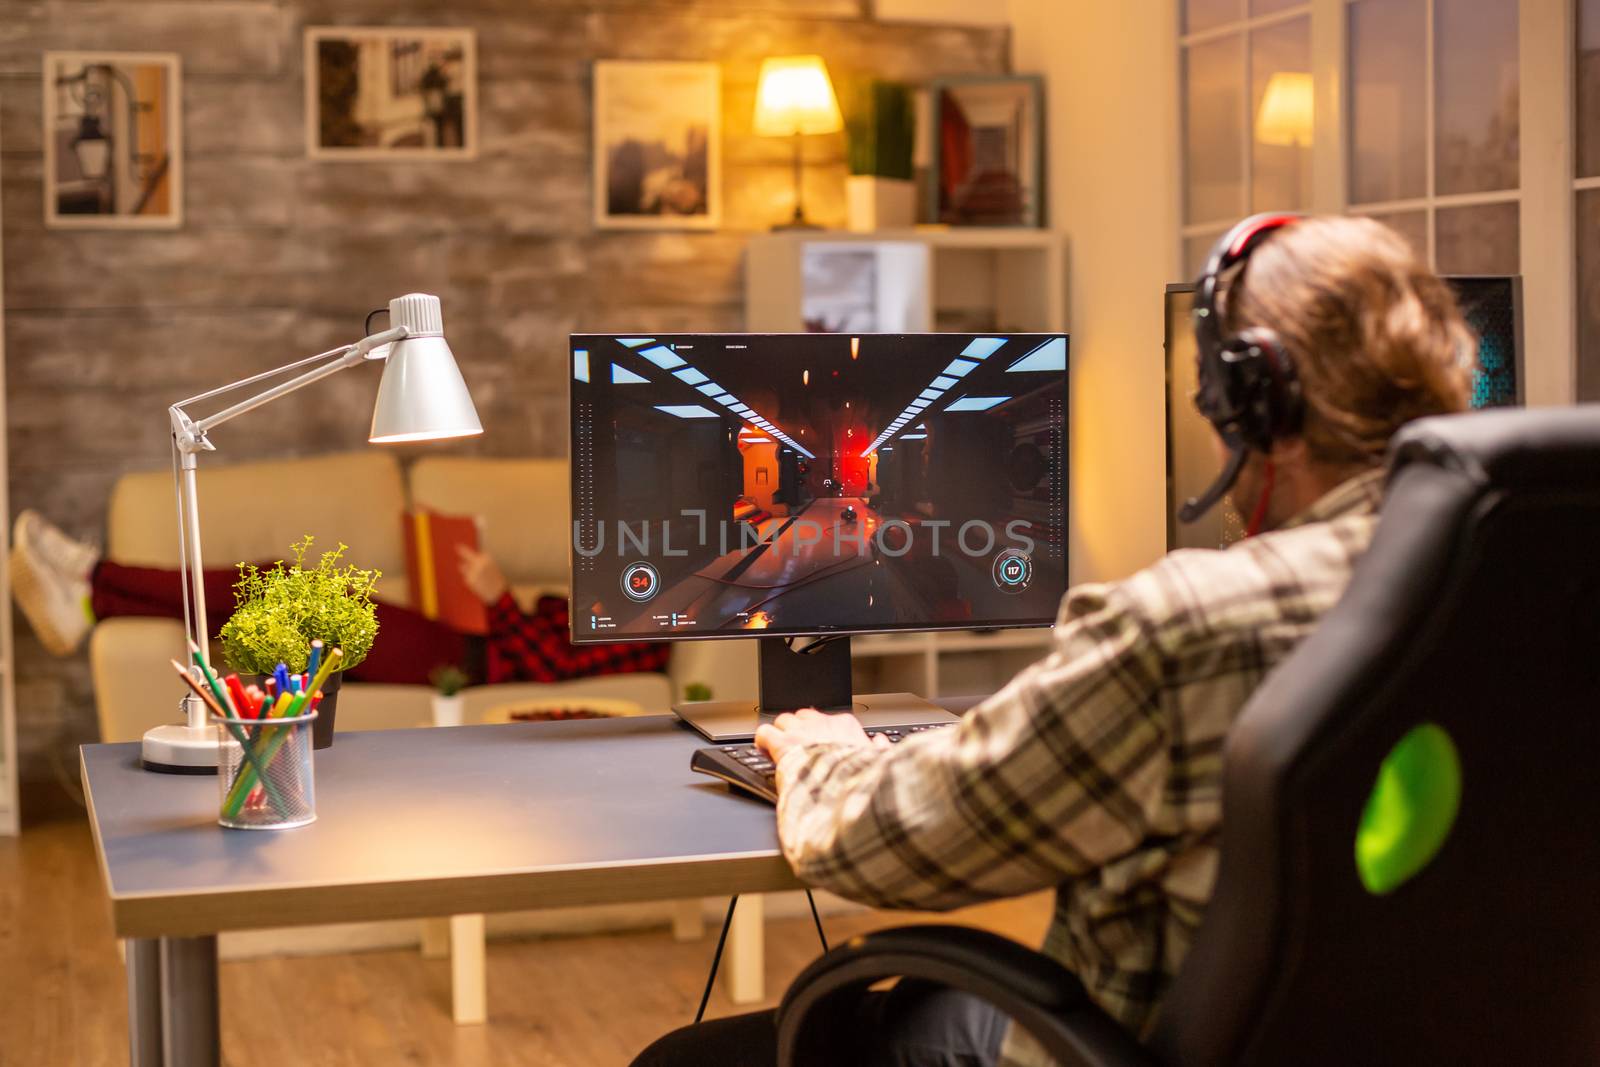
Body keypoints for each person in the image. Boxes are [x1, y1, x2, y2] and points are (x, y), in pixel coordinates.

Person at [632, 215, 1476, 1067]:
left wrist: (824, 755)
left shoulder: (1189, 622)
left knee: (687, 1061)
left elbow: (888, 848)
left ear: (1251, 399)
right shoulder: (1532, 587)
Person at [9, 517, 668, 687]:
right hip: (457, 633)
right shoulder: (632, 593)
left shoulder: (657, 625)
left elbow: (546, 669)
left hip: (468, 658)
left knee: (279, 582)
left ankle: (93, 574)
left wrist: (500, 601)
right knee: (262, 597)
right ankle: (93, 601)